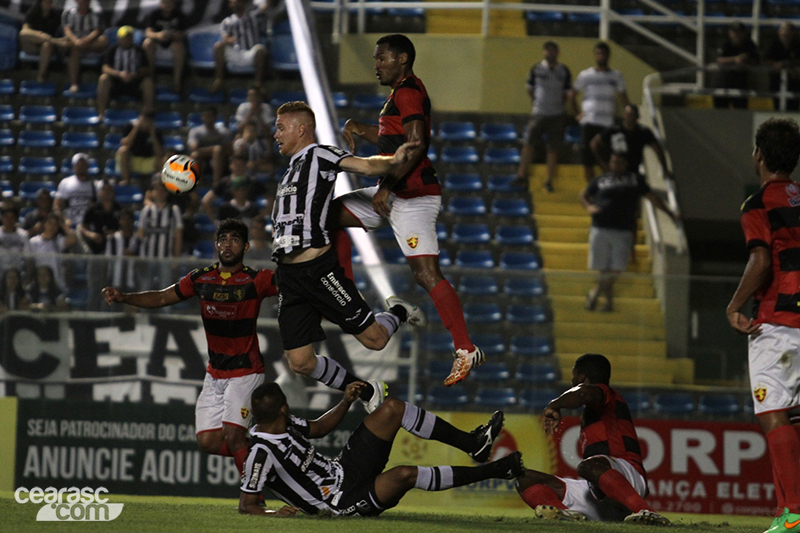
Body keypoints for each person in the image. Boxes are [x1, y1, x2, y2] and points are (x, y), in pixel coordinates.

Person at [335, 34, 483, 387]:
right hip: (394, 193)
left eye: (382, 58)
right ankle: (345, 298)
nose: (377, 65)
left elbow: (416, 144)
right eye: (375, 59)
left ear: (402, 59)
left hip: (412, 195)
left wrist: (386, 186)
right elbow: (394, 142)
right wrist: (361, 127)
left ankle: (465, 348)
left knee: (426, 274)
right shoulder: (399, 94)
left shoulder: (407, 91)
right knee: (327, 216)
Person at [271, 100, 425, 413]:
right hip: (289, 278)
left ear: (301, 129)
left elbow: (366, 166)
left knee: (376, 340)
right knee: (299, 362)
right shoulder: (288, 173)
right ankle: (365, 390)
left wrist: (394, 160)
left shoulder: (320, 154)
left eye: (280, 127)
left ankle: (396, 312)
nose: (276, 134)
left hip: (319, 271)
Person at [103, 219, 276, 476]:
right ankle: (270, 456)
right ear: (216, 245)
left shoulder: (256, 280)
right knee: (208, 442)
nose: (228, 244)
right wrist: (126, 297)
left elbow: (293, 285)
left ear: (246, 247)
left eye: (235, 240)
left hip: (246, 371)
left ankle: (253, 499)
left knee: (233, 435)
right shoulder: (200, 278)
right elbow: (162, 297)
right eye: (224, 239)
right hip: (215, 373)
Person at [238, 381, 521, 517]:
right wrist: (273, 514)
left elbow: (320, 428)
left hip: (343, 468)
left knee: (392, 409)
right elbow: (247, 505)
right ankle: (497, 470)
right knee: (404, 474)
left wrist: (346, 401)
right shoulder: (260, 453)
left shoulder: (285, 423)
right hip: (337, 502)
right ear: (283, 408)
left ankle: (474, 445)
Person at [726, 117, 800, 533]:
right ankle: (785, 511)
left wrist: (735, 305)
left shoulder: (759, 204)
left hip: (780, 321)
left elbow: (761, 259)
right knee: (793, 419)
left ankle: (793, 513)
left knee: (773, 413)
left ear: (759, 155)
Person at [515, 353, 670, 526]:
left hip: (629, 475)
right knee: (524, 478)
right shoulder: (595, 407)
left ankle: (645, 511)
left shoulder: (606, 394)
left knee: (588, 465)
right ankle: (566, 515)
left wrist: (554, 405)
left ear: (582, 377)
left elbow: (582, 394)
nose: (572, 381)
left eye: (574, 376)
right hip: (598, 491)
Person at [579, 151, 675, 312]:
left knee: (617, 267)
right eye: (613, 162)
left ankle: (595, 293)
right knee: (603, 268)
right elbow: (583, 194)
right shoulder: (602, 179)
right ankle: (609, 303)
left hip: (623, 230)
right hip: (600, 228)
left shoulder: (634, 180)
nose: (616, 165)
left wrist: (669, 213)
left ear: (625, 164)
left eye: (619, 162)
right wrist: (588, 206)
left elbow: (651, 197)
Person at [514, 41, 574, 192]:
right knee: (529, 143)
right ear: (543, 52)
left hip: (557, 114)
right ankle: (521, 175)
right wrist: (538, 102)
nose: (550, 53)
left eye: (553, 50)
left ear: (557, 52)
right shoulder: (536, 69)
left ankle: (549, 180)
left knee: (553, 148)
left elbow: (568, 93)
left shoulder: (564, 70)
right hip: (539, 113)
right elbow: (530, 89)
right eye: (548, 50)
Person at [572, 42, 629, 182]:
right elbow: (572, 95)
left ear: (608, 55)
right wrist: (577, 113)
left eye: (603, 53)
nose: (601, 56)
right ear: (594, 55)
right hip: (589, 121)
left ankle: (609, 183)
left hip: (607, 123)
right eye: (598, 53)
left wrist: (629, 116)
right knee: (587, 159)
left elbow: (623, 98)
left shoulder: (616, 76)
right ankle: (591, 188)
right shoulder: (585, 75)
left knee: (606, 156)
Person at [590, 104, 671, 180]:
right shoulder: (614, 129)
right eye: (627, 114)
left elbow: (657, 150)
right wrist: (604, 165)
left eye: (632, 115)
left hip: (633, 170)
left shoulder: (643, 132)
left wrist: (665, 169)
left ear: (637, 117)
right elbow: (595, 143)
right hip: (614, 171)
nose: (629, 117)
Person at [97, 26, 154, 121]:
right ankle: (101, 113)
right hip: (116, 83)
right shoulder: (112, 50)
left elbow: (146, 69)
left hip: (135, 83)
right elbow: (105, 68)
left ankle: (147, 115)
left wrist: (134, 75)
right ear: (119, 38)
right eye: (124, 38)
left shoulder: (139, 50)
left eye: (129, 37)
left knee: (148, 82)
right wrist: (119, 74)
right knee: (103, 79)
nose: (127, 40)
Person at [80, 181, 121, 310]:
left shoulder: (119, 209)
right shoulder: (93, 208)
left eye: (110, 190)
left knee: (110, 288)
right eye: (104, 190)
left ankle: (108, 317)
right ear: (100, 192)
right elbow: (82, 227)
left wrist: (114, 234)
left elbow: (125, 229)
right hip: (96, 252)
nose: (107, 192)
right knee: (94, 287)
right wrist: (92, 235)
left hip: (113, 255)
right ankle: (92, 317)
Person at [211, 0, 267, 93]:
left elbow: (265, 17)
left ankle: (258, 83)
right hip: (236, 52)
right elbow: (225, 37)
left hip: (250, 53)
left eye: (235, 2)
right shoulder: (227, 21)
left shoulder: (254, 17)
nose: (233, 5)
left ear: (242, 2)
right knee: (218, 46)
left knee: (260, 49)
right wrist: (228, 40)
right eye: (231, 3)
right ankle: (219, 79)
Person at [137, 179, 183, 290]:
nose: (160, 193)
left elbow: (178, 236)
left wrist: (176, 259)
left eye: (163, 190)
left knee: (165, 290)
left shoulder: (174, 211)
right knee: (146, 290)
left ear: (167, 193)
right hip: (148, 258)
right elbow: (140, 234)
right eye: (157, 190)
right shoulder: (146, 211)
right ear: (152, 193)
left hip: (166, 258)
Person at [61, 0, 108, 93]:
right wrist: (76, 40)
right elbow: (67, 30)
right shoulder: (69, 14)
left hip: (90, 43)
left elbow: (97, 31)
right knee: (73, 49)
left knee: (103, 40)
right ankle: (74, 83)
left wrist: (85, 40)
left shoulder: (95, 14)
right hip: (75, 43)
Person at [142, 0, 187, 94]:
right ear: (161, 3)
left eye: (170, 3)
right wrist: (158, 35)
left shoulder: (179, 15)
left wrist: (171, 35)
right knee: (147, 43)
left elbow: (182, 34)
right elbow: (148, 32)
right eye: (166, 3)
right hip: (157, 46)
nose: (168, 5)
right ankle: (151, 77)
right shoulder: (154, 14)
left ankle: (176, 82)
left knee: (179, 46)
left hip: (172, 46)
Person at [18, 0, 68, 83]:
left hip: (48, 47)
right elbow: (25, 30)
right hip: (33, 44)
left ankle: (41, 75)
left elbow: (65, 30)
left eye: (50, 2)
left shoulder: (55, 15)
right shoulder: (33, 12)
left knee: (46, 45)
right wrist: (41, 35)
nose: (49, 4)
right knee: (23, 34)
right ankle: (54, 41)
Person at [714, 22, 760, 109]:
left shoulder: (749, 44)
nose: (737, 35)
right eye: (735, 32)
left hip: (741, 82)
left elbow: (756, 61)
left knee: (741, 110)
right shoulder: (725, 44)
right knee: (720, 112)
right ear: (730, 33)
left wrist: (746, 60)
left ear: (744, 33)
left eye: (740, 32)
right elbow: (719, 60)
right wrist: (735, 59)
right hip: (724, 82)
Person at [28, 213, 77, 290]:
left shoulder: (59, 241)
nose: (52, 227)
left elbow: (73, 239)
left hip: (57, 282)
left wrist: (63, 224)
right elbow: (30, 263)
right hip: (39, 281)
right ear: (45, 224)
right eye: (50, 223)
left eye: (55, 225)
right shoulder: (34, 242)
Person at [116, 107, 164, 186]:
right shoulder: (130, 127)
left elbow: (159, 153)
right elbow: (125, 144)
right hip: (132, 160)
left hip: (147, 161)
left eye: (149, 120)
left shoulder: (156, 132)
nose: (146, 123)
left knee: (162, 161)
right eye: (144, 119)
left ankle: (159, 185)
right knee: (123, 151)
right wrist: (135, 130)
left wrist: (153, 135)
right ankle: (126, 180)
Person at [189, 107, 233, 186]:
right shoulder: (195, 131)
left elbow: (229, 149)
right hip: (202, 156)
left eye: (210, 116)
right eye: (206, 116)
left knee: (218, 150)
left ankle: (216, 182)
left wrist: (215, 149)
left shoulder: (223, 132)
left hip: (221, 157)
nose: (208, 118)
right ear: (202, 117)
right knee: (195, 155)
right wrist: (212, 149)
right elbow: (194, 148)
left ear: (216, 117)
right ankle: (199, 182)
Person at [55, 153, 99, 229]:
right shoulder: (65, 183)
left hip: (88, 225)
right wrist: (65, 220)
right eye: (78, 165)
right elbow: (57, 206)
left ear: (87, 166)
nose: (80, 167)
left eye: (83, 165)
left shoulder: (95, 185)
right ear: (74, 166)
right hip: (70, 223)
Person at [764, 22, 800, 111]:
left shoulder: (797, 44)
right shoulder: (774, 44)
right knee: (777, 107)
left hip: (794, 83)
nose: (786, 33)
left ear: (793, 33)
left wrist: (789, 65)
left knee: (793, 108)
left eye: (789, 31)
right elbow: (766, 60)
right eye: (784, 30)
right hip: (777, 81)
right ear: (779, 32)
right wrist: (776, 64)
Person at [105, 208, 139, 294]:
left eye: (129, 219)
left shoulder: (139, 241)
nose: (126, 222)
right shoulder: (112, 239)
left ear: (133, 221)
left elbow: (144, 264)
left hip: (132, 282)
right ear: (120, 221)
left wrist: (134, 256)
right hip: (114, 282)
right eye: (124, 219)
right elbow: (106, 261)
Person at [0, 204, 32, 278]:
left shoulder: (23, 235)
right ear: (2, 218)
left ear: (16, 219)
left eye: (12, 217)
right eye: (6, 217)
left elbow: (28, 259)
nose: (9, 220)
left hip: (17, 277)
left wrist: (28, 277)